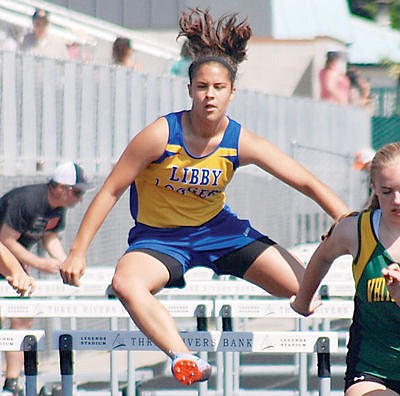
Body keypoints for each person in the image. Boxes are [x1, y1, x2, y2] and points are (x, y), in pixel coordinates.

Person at [60, 8, 349, 386]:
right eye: (202, 87)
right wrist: (78, 251)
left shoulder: (239, 141)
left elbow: (307, 182)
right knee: (126, 283)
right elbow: (112, 188)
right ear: (190, 89)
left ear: (232, 93)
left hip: (219, 232)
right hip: (159, 238)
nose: (209, 96)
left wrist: (352, 223)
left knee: (301, 289)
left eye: (218, 88)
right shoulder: (160, 135)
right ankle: (183, 357)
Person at [290, 142, 400, 395]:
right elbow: (321, 257)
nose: (396, 200)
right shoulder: (355, 230)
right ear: (373, 188)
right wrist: (303, 300)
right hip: (372, 369)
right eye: (387, 191)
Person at [0, 162, 94, 396]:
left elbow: (49, 238)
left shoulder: (56, 208)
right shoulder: (27, 201)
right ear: (61, 188)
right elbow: (6, 240)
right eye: (78, 192)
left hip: (17, 265)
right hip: (7, 260)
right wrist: (38, 263)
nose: (80, 198)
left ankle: (12, 381)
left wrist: (66, 262)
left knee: (22, 320)